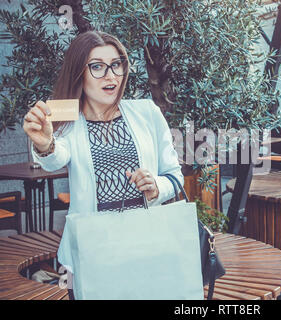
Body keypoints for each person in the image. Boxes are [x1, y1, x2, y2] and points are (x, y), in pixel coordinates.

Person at [22, 31, 183, 299]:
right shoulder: (65, 115)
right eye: (96, 66)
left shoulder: (147, 112)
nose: (110, 75)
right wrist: (44, 144)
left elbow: (174, 176)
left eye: (116, 64)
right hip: (91, 252)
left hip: (148, 247)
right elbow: (56, 158)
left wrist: (156, 186)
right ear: (79, 73)